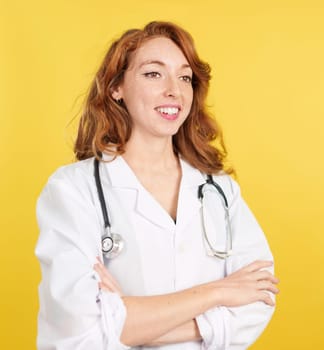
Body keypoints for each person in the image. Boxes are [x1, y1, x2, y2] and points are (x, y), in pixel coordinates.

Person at [35, 21, 279, 350]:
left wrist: (124, 321)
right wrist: (218, 293)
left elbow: (259, 297)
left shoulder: (220, 191)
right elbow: (79, 329)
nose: (174, 91)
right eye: (153, 74)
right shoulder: (74, 190)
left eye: (184, 77)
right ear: (115, 88)